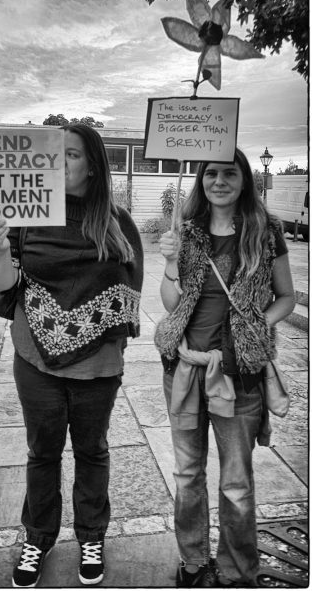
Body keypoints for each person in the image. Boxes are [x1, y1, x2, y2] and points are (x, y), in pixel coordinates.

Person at [0, 124, 143, 588]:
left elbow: (128, 293)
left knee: (92, 452)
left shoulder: (117, 221)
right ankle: (38, 537)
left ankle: (92, 535)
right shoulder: (26, 216)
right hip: (36, 360)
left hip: (98, 365)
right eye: (54, 154)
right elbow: (5, 284)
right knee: (43, 452)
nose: (58, 162)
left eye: (69, 155)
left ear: (91, 165)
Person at [154, 148, 295, 588]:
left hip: (240, 375)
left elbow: (286, 298)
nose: (219, 181)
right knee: (187, 474)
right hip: (186, 370)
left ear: (244, 179)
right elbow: (173, 304)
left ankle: (237, 570)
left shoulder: (266, 231)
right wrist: (170, 262)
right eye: (210, 173)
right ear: (200, 180)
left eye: (229, 173)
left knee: (236, 482)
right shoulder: (186, 231)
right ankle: (193, 561)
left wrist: (256, 323)